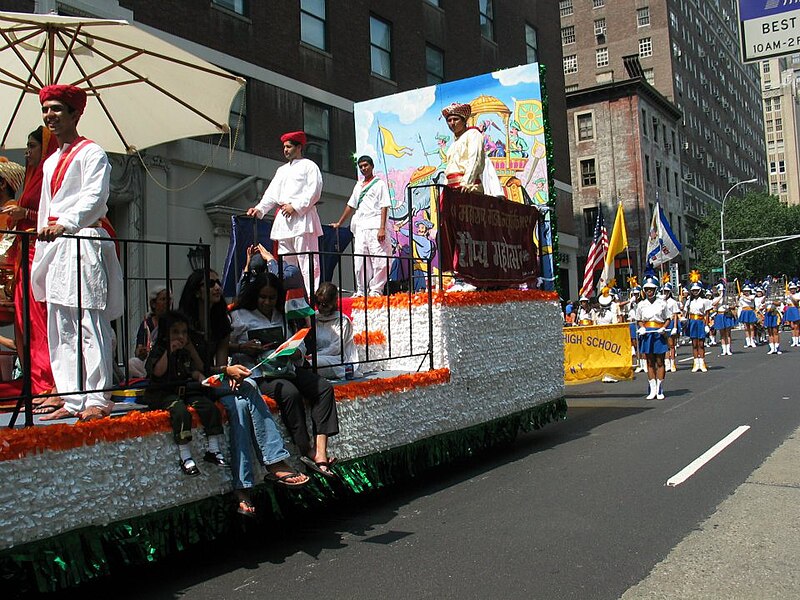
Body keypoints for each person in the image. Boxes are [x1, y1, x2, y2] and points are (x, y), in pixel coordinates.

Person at [178, 269, 308, 514]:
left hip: (217, 380)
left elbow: (217, 364)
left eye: (218, 282)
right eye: (211, 283)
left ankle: (242, 488)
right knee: (248, 387)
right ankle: (274, 461)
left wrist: (227, 371)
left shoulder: (220, 321)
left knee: (239, 405)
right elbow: (197, 368)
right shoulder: (185, 322)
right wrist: (228, 371)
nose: (218, 287)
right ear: (197, 291)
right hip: (192, 384)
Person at [31, 84, 124, 422]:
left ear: (75, 113)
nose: (49, 116)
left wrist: (66, 223)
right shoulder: (50, 161)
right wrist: (43, 241)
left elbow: (95, 198)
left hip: (83, 239)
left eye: (56, 109)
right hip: (57, 245)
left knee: (89, 319)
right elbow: (45, 209)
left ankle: (98, 397)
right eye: (46, 110)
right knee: (61, 322)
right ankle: (71, 398)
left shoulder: (92, 153)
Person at [230, 272, 339, 478]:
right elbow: (224, 347)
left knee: (323, 387)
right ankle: (306, 449)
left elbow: (299, 343)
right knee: (289, 392)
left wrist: (296, 351)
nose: (267, 302)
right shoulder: (239, 316)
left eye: (272, 298)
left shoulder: (283, 315)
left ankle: (321, 450)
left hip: (286, 367)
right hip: (261, 373)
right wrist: (243, 347)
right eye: (263, 297)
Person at [143, 310, 226, 476]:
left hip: (183, 390)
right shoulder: (160, 350)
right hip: (163, 393)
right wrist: (169, 350)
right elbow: (158, 372)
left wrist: (201, 377)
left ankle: (213, 448)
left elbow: (192, 370)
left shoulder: (184, 353)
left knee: (208, 407)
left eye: (184, 332)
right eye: (175, 332)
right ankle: (185, 456)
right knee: (180, 411)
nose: (180, 336)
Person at [246, 131, 322, 298]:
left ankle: (313, 297)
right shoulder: (281, 170)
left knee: (307, 262)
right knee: (286, 265)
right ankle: (287, 300)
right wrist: (259, 209)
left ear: (299, 147)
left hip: (302, 219)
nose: (285, 150)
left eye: (289, 147)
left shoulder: (309, 166)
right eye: (284, 147)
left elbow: (314, 191)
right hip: (284, 222)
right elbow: (271, 194)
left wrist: (295, 206)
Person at [330, 156, 391, 297]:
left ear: (372, 166)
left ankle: (376, 289)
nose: (364, 168)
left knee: (381, 259)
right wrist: (339, 223)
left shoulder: (379, 184)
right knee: (360, 261)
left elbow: (384, 206)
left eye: (366, 165)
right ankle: (361, 290)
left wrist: (382, 227)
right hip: (361, 227)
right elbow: (351, 205)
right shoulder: (358, 185)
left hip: (375, 226)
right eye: (361, 166)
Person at [313, 282, 361, 380]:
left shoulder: (342, 320)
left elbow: (336, 348)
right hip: (316, 356)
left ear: (334, 302)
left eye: (325, 305)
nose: (321, 308)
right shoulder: (314, 317)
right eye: (318, 304)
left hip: (336, 359)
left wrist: (314, 356)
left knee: (313, 363)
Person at [635, 275, 671, 400]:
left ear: (656, 290)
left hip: (659, 332)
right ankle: (653, 389)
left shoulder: (662, 303)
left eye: (651, 289)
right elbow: (639, 319)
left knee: (660, 361)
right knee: (649, 362)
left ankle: (660, 389)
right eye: (647, 289)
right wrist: (642, 327)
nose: (649, 291)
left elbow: (667, 318)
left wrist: (663, 328)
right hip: (647, 334)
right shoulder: (641, 304)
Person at [441, 102, 485, 194]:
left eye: (455, 119)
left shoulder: (473, 134)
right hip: (451, 190)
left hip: (468, 189)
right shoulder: (452, 145)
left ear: (464, 121)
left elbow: (475, 159)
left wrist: (467, 183)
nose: (452, 123)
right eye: (449, 120)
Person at [128, 285, 170, 378]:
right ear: (153, 303)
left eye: (169, 299)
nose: (167, 302)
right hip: (149, 360)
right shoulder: (146, 324)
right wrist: (141, 352)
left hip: (166, 359)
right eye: (163, 299)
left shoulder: (173, 322)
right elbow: (139, 351)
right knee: (131, 363)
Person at [237, 243, 303, 297]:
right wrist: (247, 266)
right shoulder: (255, 276)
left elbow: (278, 280)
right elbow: (241, 294)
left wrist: (270, 260)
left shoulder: (291, 270)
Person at [684, 281, 713, 373]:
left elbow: (707, 314)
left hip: (700, 322)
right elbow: (686, 312)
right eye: (693, 290)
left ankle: (702, 362)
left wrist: (707, 324)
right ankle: (696, 363)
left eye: (697, 290)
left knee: (701, 343)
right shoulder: (689, 301)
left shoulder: (705, 301)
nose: (695, 292)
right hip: (692, 322)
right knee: (694, 343)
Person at [662, 283, 681, 373]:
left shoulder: (673, 302)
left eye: (666, 291)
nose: (665, 293)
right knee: (665, 345)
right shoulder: (660, 301)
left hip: (671, 322)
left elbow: (675, 315)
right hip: (663, 324)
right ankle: (667, 363)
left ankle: (672, 362)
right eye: (663, 291)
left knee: (671, 344)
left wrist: (675, 327)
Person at [784, 281, 800, 346]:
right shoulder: (787, 295)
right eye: (791, 289)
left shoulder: (798, 294)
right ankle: (794, 341)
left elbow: (796, 302)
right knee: (792, 326)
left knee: (797, 326)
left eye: (793, 289)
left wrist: (791, 297)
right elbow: (785, 303)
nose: (792, 290)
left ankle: (797, 340)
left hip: (795, 308)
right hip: (789, 309)